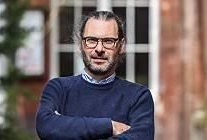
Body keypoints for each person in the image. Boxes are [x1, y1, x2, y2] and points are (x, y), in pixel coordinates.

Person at [36, 11, 154, 140]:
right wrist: (110, 126)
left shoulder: (139, 96)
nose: (99, 49)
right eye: (91, 40)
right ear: (81, 44)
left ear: (122, 45)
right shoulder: (58, 89)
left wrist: (68, 129)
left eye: (108, 41)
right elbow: (46, 126)